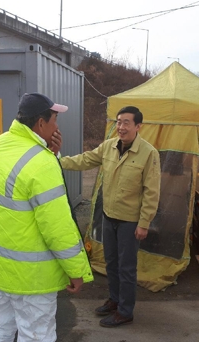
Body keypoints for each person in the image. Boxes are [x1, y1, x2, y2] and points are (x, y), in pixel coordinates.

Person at [0, 93, 93, 342]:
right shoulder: (42, 163)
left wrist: (51, 153)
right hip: (32, 277)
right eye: (54, 119)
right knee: (36, 336)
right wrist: (75, 270)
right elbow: (57, 228)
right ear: (41, 123)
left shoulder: (0, 144)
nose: (57, 126)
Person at [59, 106, 161, 328]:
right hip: (109, 216)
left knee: (126, 267)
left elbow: (151, 192)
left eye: (126, 123)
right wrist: (59, 161)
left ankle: (125, 311)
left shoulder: (148, 153)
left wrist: (144, 223)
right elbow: (85, 160)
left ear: (137, 126)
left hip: (130, 221)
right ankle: (115, 300)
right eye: (118, 122)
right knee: (111, 263)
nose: (121, 127)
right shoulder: (109, 146)